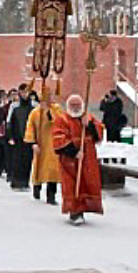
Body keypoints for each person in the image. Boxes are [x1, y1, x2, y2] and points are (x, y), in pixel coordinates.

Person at [52, 94, 105, 224]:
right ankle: (75, 212)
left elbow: (99, 134)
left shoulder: (88, 117)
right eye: (73, 105)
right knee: (72, 186)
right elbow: (58, 139)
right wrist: (74, 152)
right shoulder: (62, 119)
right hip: (70, 161)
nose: (76, 108)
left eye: (78, 105)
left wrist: (89, 125)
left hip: (87, 159)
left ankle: (84, 208)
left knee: (86, 184)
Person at [25, 85, 61, 204]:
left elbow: (59, 122)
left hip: (54, 145)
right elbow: (30, 128)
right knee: (39, 168)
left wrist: (48, 112)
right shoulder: (35, 113)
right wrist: (33, 142)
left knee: (53, 171)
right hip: (41, 144)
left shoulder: (57, 109)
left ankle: (51, 195)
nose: (51, 98)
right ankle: (37, 187)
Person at [8, 85, 37, 190]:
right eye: (22, 92)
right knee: (17, 160)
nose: (25, 94)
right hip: (18, 136)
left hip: (30, 137)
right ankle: (16, 181)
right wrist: (10, 136)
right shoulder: (14, 106)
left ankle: (25, 181)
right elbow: (9, 121)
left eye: (26, 92)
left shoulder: (34, 106)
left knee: (28, 160)